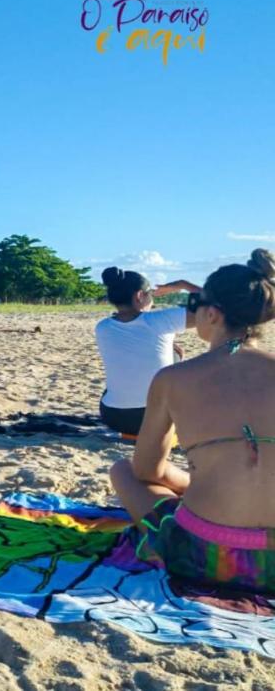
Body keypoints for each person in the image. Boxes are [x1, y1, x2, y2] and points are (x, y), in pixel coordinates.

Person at [110, 249, 275, 593]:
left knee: (123, 471)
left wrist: (189, 483)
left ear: (212, 314)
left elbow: (148, 472)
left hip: (205, 555)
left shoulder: (173, 379)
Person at [95, 267, 202, 436]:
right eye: (150, 294)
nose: (152, 299)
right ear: (139, 296)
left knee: (174, 352)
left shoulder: (102, 327)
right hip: (158, 416)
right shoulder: (161, 320)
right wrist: (183, 285)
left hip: (114, 416)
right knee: (177, 360)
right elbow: (218, 309)